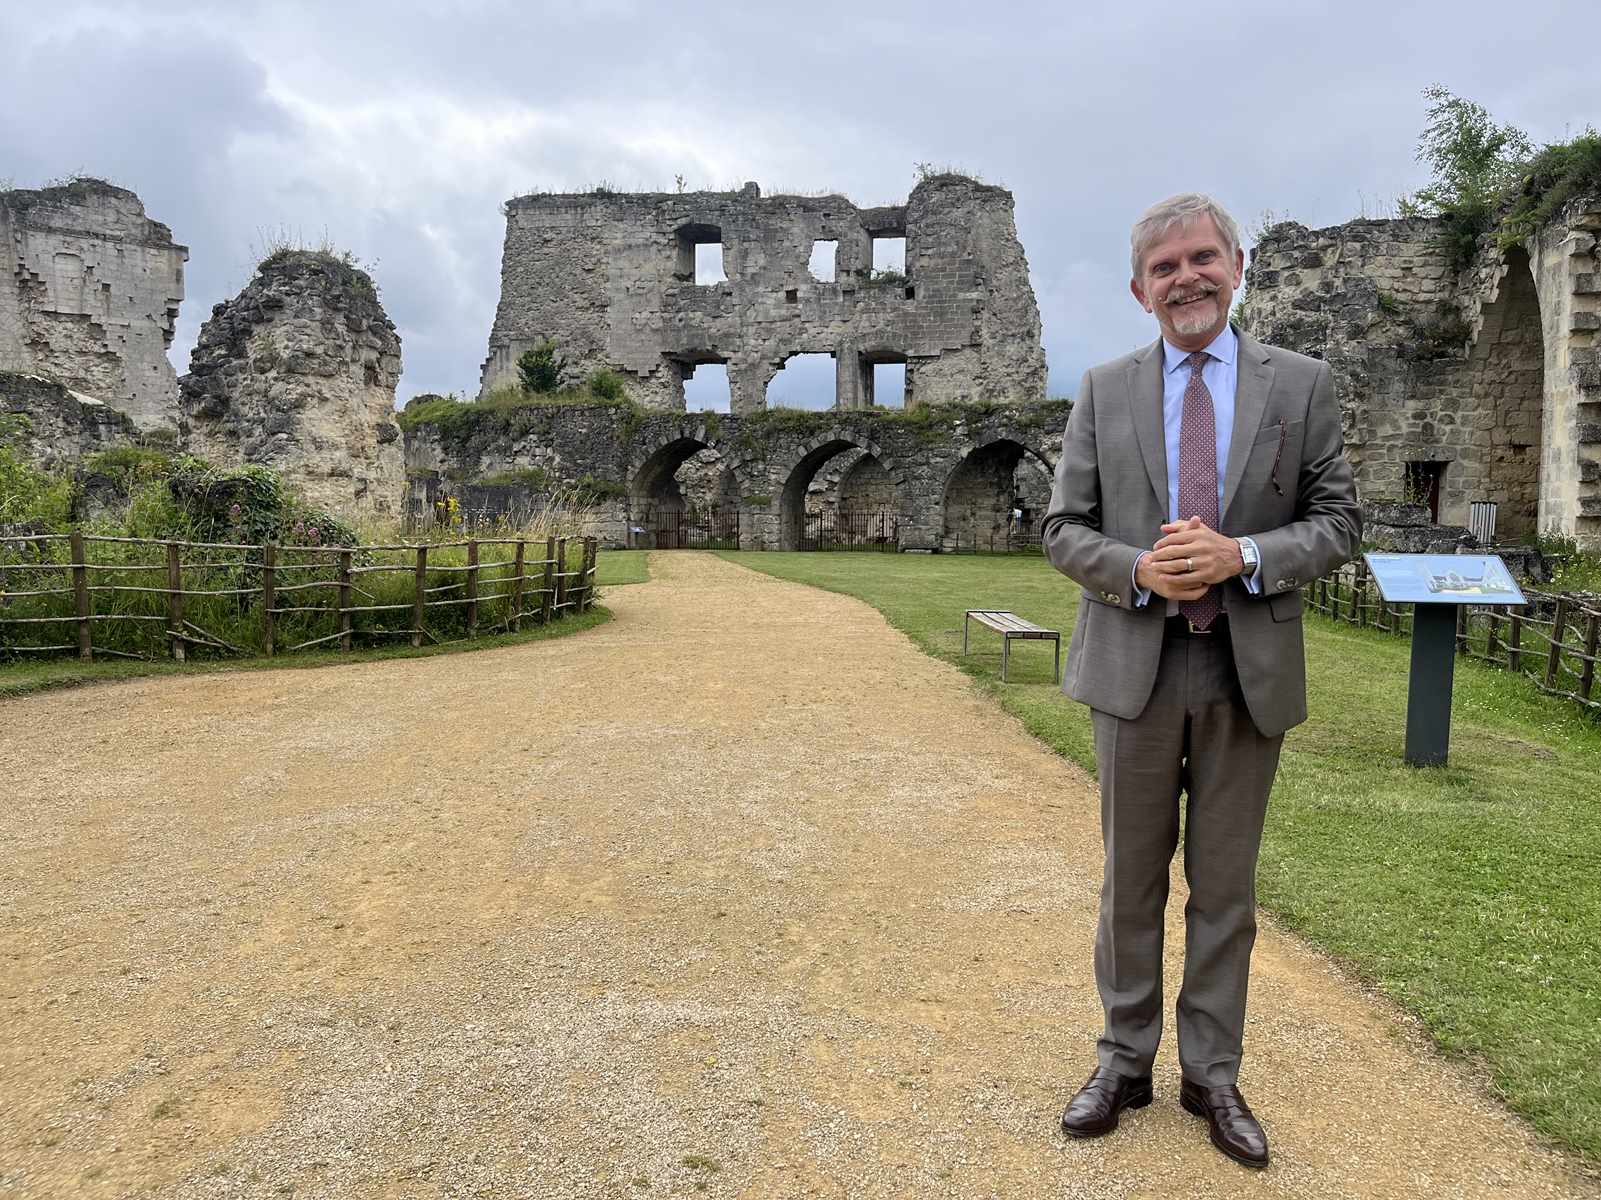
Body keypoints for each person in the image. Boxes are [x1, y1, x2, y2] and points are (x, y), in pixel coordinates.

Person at [1042, 194, 1360, 1169]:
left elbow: (1338, 522)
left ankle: (1210, 1074)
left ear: (1236, 263)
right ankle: (1122, 1058)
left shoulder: (1300, 387)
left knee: (1223, 889)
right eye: (1164, 267)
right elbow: (1061, 529)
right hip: (1133, 666)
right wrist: (1138, 568)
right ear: (1140, 291)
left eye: (1200, 258)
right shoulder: (1101, 389)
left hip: (1241, 669)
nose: (1185, 278)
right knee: (1127, 885)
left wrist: (1244, 555)